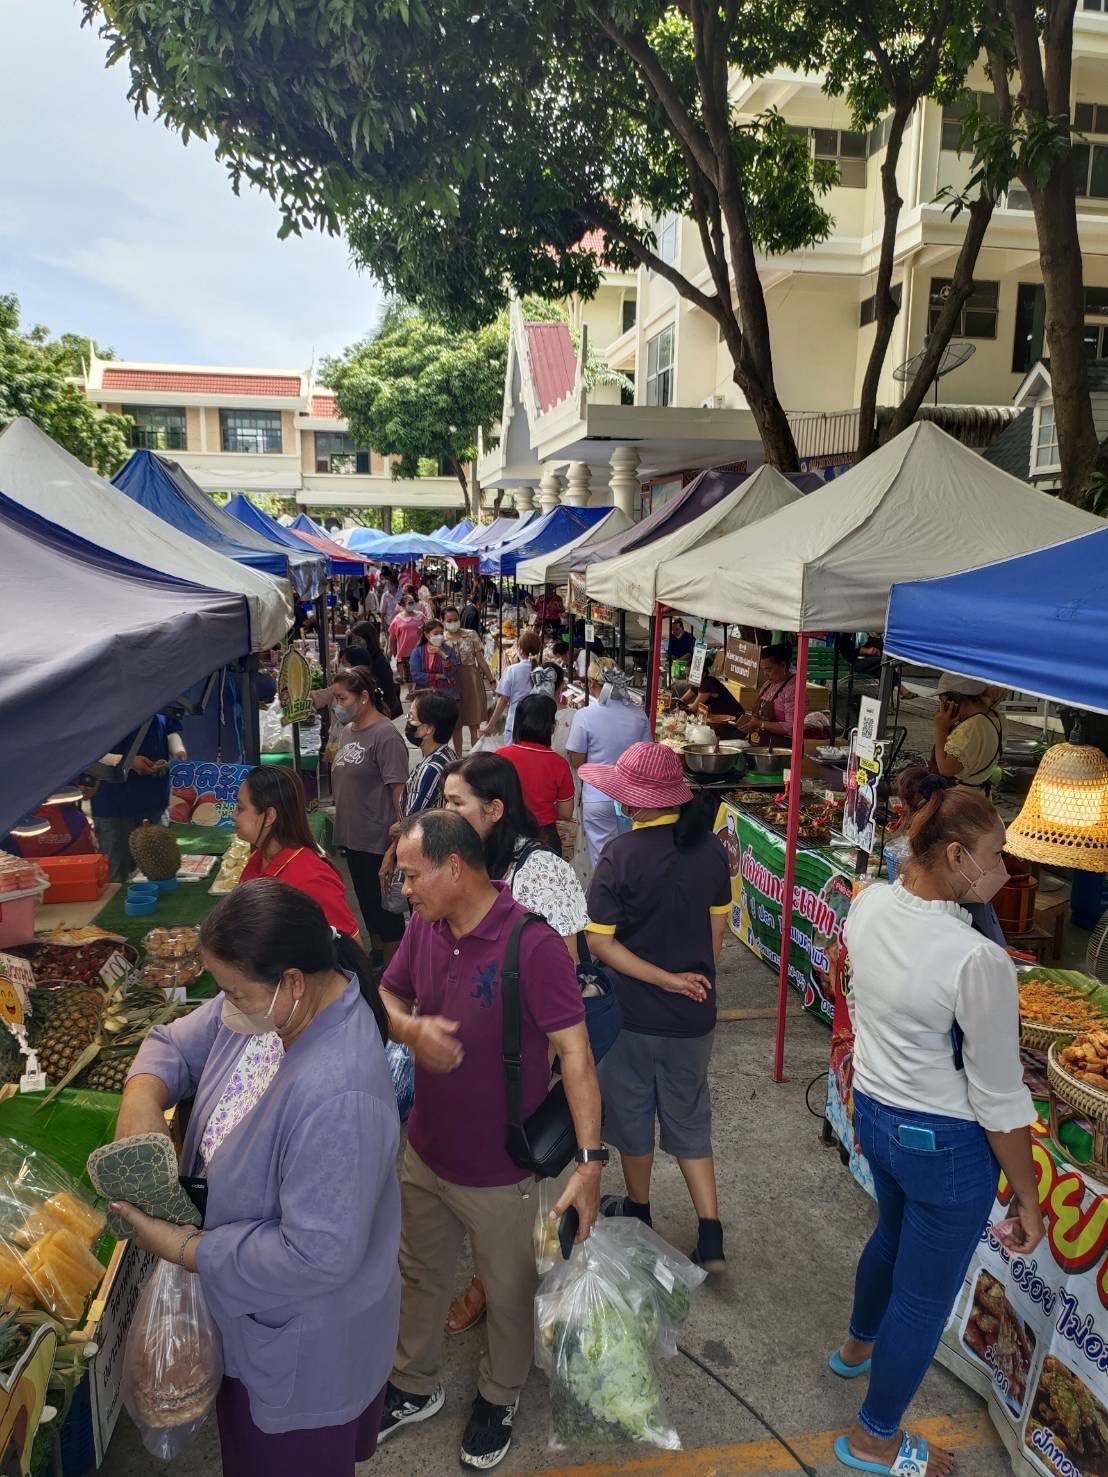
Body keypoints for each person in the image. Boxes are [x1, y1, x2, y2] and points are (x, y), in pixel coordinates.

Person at [109, 878, 400, 1477]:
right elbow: (172, 1042)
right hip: (248, 1315)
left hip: (302, 1341)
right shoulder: (268, 1012)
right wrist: (142, 1096)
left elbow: (315, 1254)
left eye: (233, 992)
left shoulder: (338, 1092)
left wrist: (186, 1249)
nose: (224, 1004)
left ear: (291, 982)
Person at [377, 810, 603, 1470]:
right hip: (425, 1154)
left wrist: (590, 1163)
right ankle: (413, 1383)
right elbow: (386, 993)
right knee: (419, 1274)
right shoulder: (423, 927)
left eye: (411, 875)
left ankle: (499, 1394)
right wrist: (411, 1030)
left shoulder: (531, 944)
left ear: (455, 868)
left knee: (508, 1293)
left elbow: (577, 1054)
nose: (402, 889)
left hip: (505, 1172)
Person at [830, 784, 1043, 1477]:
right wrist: (1028, 1197)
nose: (1003, 869)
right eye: (995, 854)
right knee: (923, 1298)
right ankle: (874, 1439)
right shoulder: (976, 959)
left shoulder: (869, 904)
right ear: (955, 855)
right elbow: (1000, 1099)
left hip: (876, 1117)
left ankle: (856, 1348)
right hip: (943, 1147)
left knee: (890, 1237)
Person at [440, 753, 590, 1335]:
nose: (445, 813)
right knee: (489, 1187)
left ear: (495, 809)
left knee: (527, 1182)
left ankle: (506, 1290)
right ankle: (502, 1278)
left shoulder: (540, 872)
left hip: (531, 1059)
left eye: (456, 803)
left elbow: (565, 973)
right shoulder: (468, 861)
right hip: (480, 1059)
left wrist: (539, 1068)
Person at [579, 742, 731, 1271]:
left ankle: (640, 1210)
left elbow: (599, 943)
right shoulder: (712, 851)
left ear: (635, 803)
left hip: (633, 1017)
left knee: (633, 1116)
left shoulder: (619, 855)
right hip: (695, 1017)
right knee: (689, 1115)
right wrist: (687, 983)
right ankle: (710, 1232)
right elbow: (716, 935)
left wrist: (664, 980)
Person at [329, 667, 408, 964]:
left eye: (343, 698)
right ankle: (377, 957)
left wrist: (397, 843)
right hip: (353, 837)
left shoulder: (385, 735)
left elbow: (398, 792)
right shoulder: (348, 731)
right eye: (336, 698)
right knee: (367, 905)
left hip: (377, 839)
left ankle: (394, 971)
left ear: (363, 697)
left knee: (386, 912)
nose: (338, 705)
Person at [233, 767, 358, 937]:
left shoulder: (311, 879)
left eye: (240, 808)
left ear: (269, 816)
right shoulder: (259, 857)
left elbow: (350, 946)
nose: (233, 814)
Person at [566, 663, 652, 867]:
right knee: (629, 857)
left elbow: (577, 761)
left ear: (592, 683)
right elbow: (646, 757)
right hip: (631, 798)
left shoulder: (585, 715)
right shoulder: (639, 715)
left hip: (597, 795)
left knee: (603, 860)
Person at [91, 712, 187, 882]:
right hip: (114, 806)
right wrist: (127, 761)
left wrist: (178, 751)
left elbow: (170, 731)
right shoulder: (98, 708)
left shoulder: (159, 703)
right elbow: (88, 751)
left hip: (156, 802)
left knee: (163, 867)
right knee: (118, 875)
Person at [378, 690, 459, 888]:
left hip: (425, 862)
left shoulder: (431, 769)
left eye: (412, 717)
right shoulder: (446, 755)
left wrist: (390, 852)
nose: (408, 721)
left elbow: (410, 824)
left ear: (427, 729)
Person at [499, 694, 575, 852]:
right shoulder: (559, 764)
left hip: (506, 834)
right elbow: (566, 812)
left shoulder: (501, 756)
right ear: (551, 726)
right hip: (545, 836)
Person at [737, 641, 831, 743]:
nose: (765, 674)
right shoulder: (768, 684)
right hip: (761, 740)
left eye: (768, 670)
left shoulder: (794, 690)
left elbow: (792, 727)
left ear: (783, 665)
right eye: (763, 670)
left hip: (783, 745)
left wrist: (761, 724)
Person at [932, 674, 1005, 793]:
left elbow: (946, 769)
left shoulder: (970, 728)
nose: (941, 707)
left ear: (953, 700)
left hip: (964, 797)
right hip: (981, 794)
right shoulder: (997, 716)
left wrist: (941, 729)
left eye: (942, 700)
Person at [444, 605, 495, 754]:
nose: (453, 622)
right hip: (452, 684)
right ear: (444, 621)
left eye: (455, 619)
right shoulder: (442, 639)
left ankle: (474, 757)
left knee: (474, 724)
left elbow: (481, 660)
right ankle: (459, 758)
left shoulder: (471, 634)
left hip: (472, 682)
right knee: (456, 725)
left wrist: (492, 680)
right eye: (449, 620)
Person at [480, 629, 542, 744]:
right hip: (537, 726)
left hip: (515, 723)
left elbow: (503, 700)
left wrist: (490, 725)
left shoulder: (512, 670)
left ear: (520, 650)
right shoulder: (542, 672)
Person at [346, 621, 400, 717]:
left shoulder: (379, 662)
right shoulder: (359, 658)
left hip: (378, 710)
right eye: (353, 640)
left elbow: (386, 692)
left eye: (359, 640)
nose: (355, 643)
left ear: (369, 640)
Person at [409, 619, 460, 699]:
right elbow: (415, 675)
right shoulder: (417, 652)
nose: (439, 636)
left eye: (441, 633)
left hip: (446, 693)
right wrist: (438, 676)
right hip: (424, 694)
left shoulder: (449, 650)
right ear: (426, 634)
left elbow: (451, 673)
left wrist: (443, 655)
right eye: (436, 633)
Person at [388, 597, 425, 690]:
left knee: (420, 671)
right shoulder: (398, 619)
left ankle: (418, 690)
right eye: (409, 603)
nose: (412, 604)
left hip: (421, 649)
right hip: (405, 651)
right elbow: (392, 636)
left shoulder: (421, 616)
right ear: (403, 605)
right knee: (409, 674)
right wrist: (390, 648)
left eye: (413, 602)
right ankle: (410, 692)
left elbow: (428, 629)